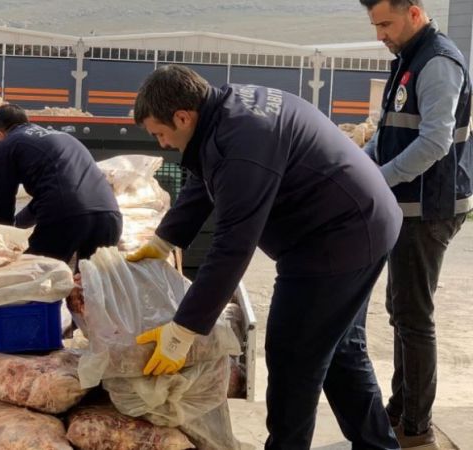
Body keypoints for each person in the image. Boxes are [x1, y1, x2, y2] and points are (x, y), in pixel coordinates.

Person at [128, 65, 402, 449]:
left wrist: (184, 329)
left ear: (182, 116)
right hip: (361, 220)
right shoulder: (225, 113)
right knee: (338, 349)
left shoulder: (242, 142)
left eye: (160, 134)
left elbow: (232, 246)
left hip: (336, 240)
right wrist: (165, 239)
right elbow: (207, 179)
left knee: (293, 356)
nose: (161, 144)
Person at [359, 1, 472, 447]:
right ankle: (401, 407)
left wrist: (378, 181)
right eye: (375, 25)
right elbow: (390, 130)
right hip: (406, 206)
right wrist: (360, 169)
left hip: (428, 210)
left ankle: (416, 428)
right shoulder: (408, 57)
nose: (380, 34)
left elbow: (434, 143)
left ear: (415, 13)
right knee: (402, 312)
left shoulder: (438, 62)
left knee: (414, 317)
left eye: (385, 23)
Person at [0, 104, 122, 263]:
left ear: (0, 134)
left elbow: (3, 202)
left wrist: (1, 241)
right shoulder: (62, 137)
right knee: (91, 283)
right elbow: (47, 196)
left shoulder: (8, 143)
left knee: (36, 275)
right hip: (109, 215)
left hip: (66, 216)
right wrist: (18, 224)